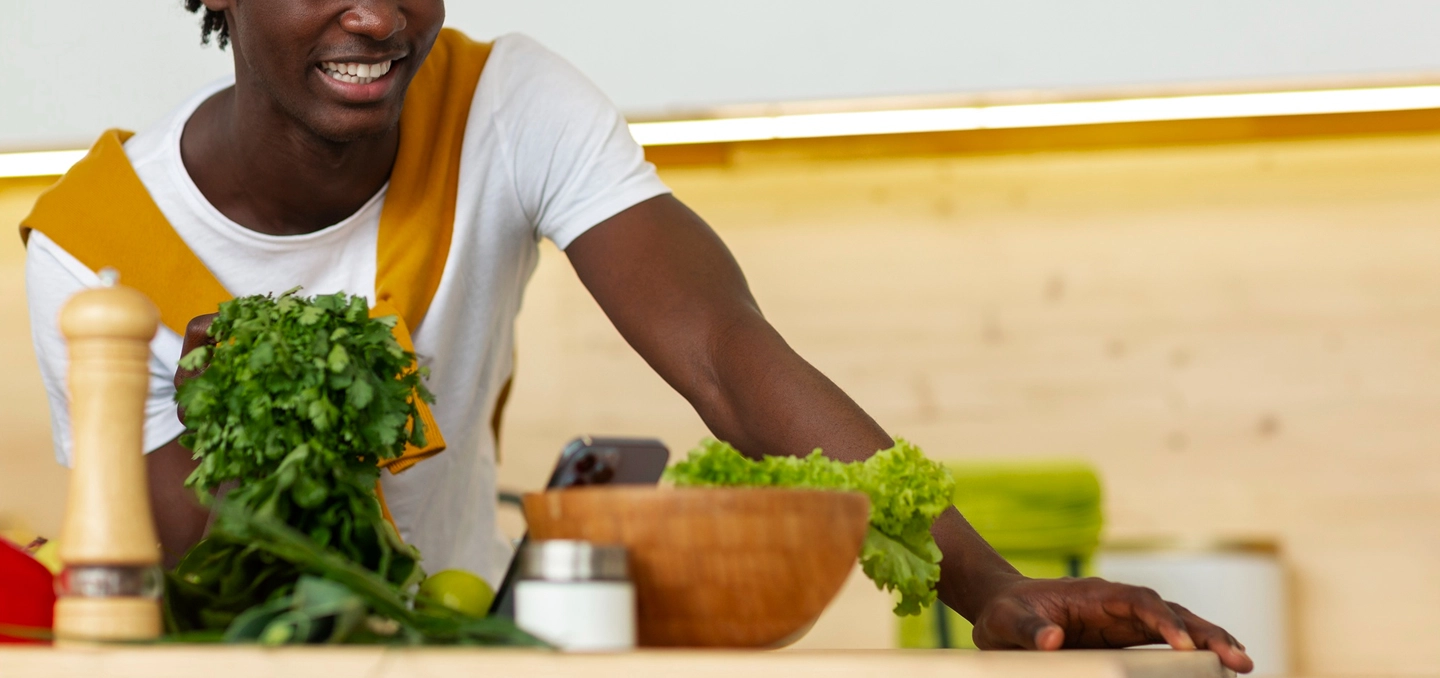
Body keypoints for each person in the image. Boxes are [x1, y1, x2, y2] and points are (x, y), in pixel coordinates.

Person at [21, 2, 1250, 671]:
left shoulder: (501, 102)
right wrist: (236, 400)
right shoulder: (94, 246)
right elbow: (179, 564)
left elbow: (723, 349)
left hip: (464, 650)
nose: (378, 13)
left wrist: (988, 584)